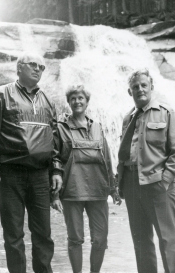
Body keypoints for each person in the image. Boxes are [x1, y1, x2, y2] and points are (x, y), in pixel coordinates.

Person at [0, 52, 63, 273]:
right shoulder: (1, 94)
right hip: (11, 173)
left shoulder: (47, 100)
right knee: (13, 235)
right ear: (19, 68)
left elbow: (54, 137)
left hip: (40, 175)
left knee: (43, 234)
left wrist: (56, 170)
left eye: (41, 66)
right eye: (33, 65)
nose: (38, 69)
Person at [116, 69, 175, 273]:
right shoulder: (127, 119)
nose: (140, 89)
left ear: (151, 87)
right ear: (130, 92)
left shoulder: (167, 113)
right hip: (131, 184)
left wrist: (165, 180)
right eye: (135, 87)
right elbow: (125, 153)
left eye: (144, 85)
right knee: (140, 240)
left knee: (167, 239)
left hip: (158, 185)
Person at [52, 85, 120, 273]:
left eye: (81, 98)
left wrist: (113, 189)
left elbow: (107, 159)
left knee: (100, 239)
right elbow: (54, 158)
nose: (77, 101)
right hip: (72, 190)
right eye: (73, 98)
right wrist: (55, 195)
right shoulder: (60, 127)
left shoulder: (98, 127)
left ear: (87, 101)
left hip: (98, 190)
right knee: (75, 239)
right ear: (69, 102)